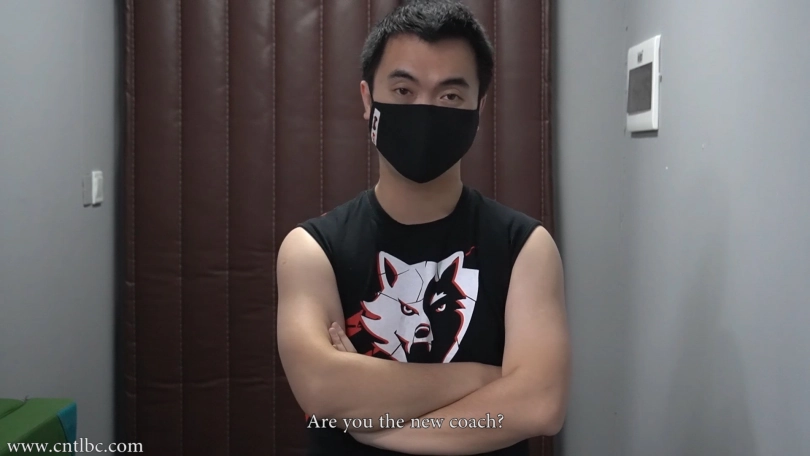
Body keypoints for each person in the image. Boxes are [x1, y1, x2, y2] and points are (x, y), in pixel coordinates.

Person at [276, 1, 570, 454]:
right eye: (403, 90)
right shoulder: (312, 249)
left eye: (450, 96)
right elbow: (321, 390)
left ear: (478, 108)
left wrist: (371, 425)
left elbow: (539, 404)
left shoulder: (525, 247)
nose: (426, 111)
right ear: (368, 100)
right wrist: (484, 379)